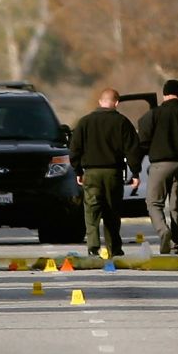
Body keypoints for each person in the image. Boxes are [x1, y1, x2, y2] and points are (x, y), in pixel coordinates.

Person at [69, 88, 141, 257]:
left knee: (92, 211)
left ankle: (93, 247)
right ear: (116, 103)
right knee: (112, 211)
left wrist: (78, 170)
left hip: (91, 173)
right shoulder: (122, 122)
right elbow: (133, 150)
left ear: (100, 102)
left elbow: (74, 149)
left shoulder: (84, 122)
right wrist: (135, 173)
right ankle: (114, 248)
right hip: (113, 174)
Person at [138, 79, 178, 255]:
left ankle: (163, 230)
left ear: (164, 93)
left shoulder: (153, 115)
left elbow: (142, 139)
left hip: (160, 164)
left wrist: (137, 164)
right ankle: (175, 244)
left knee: (154, 203)